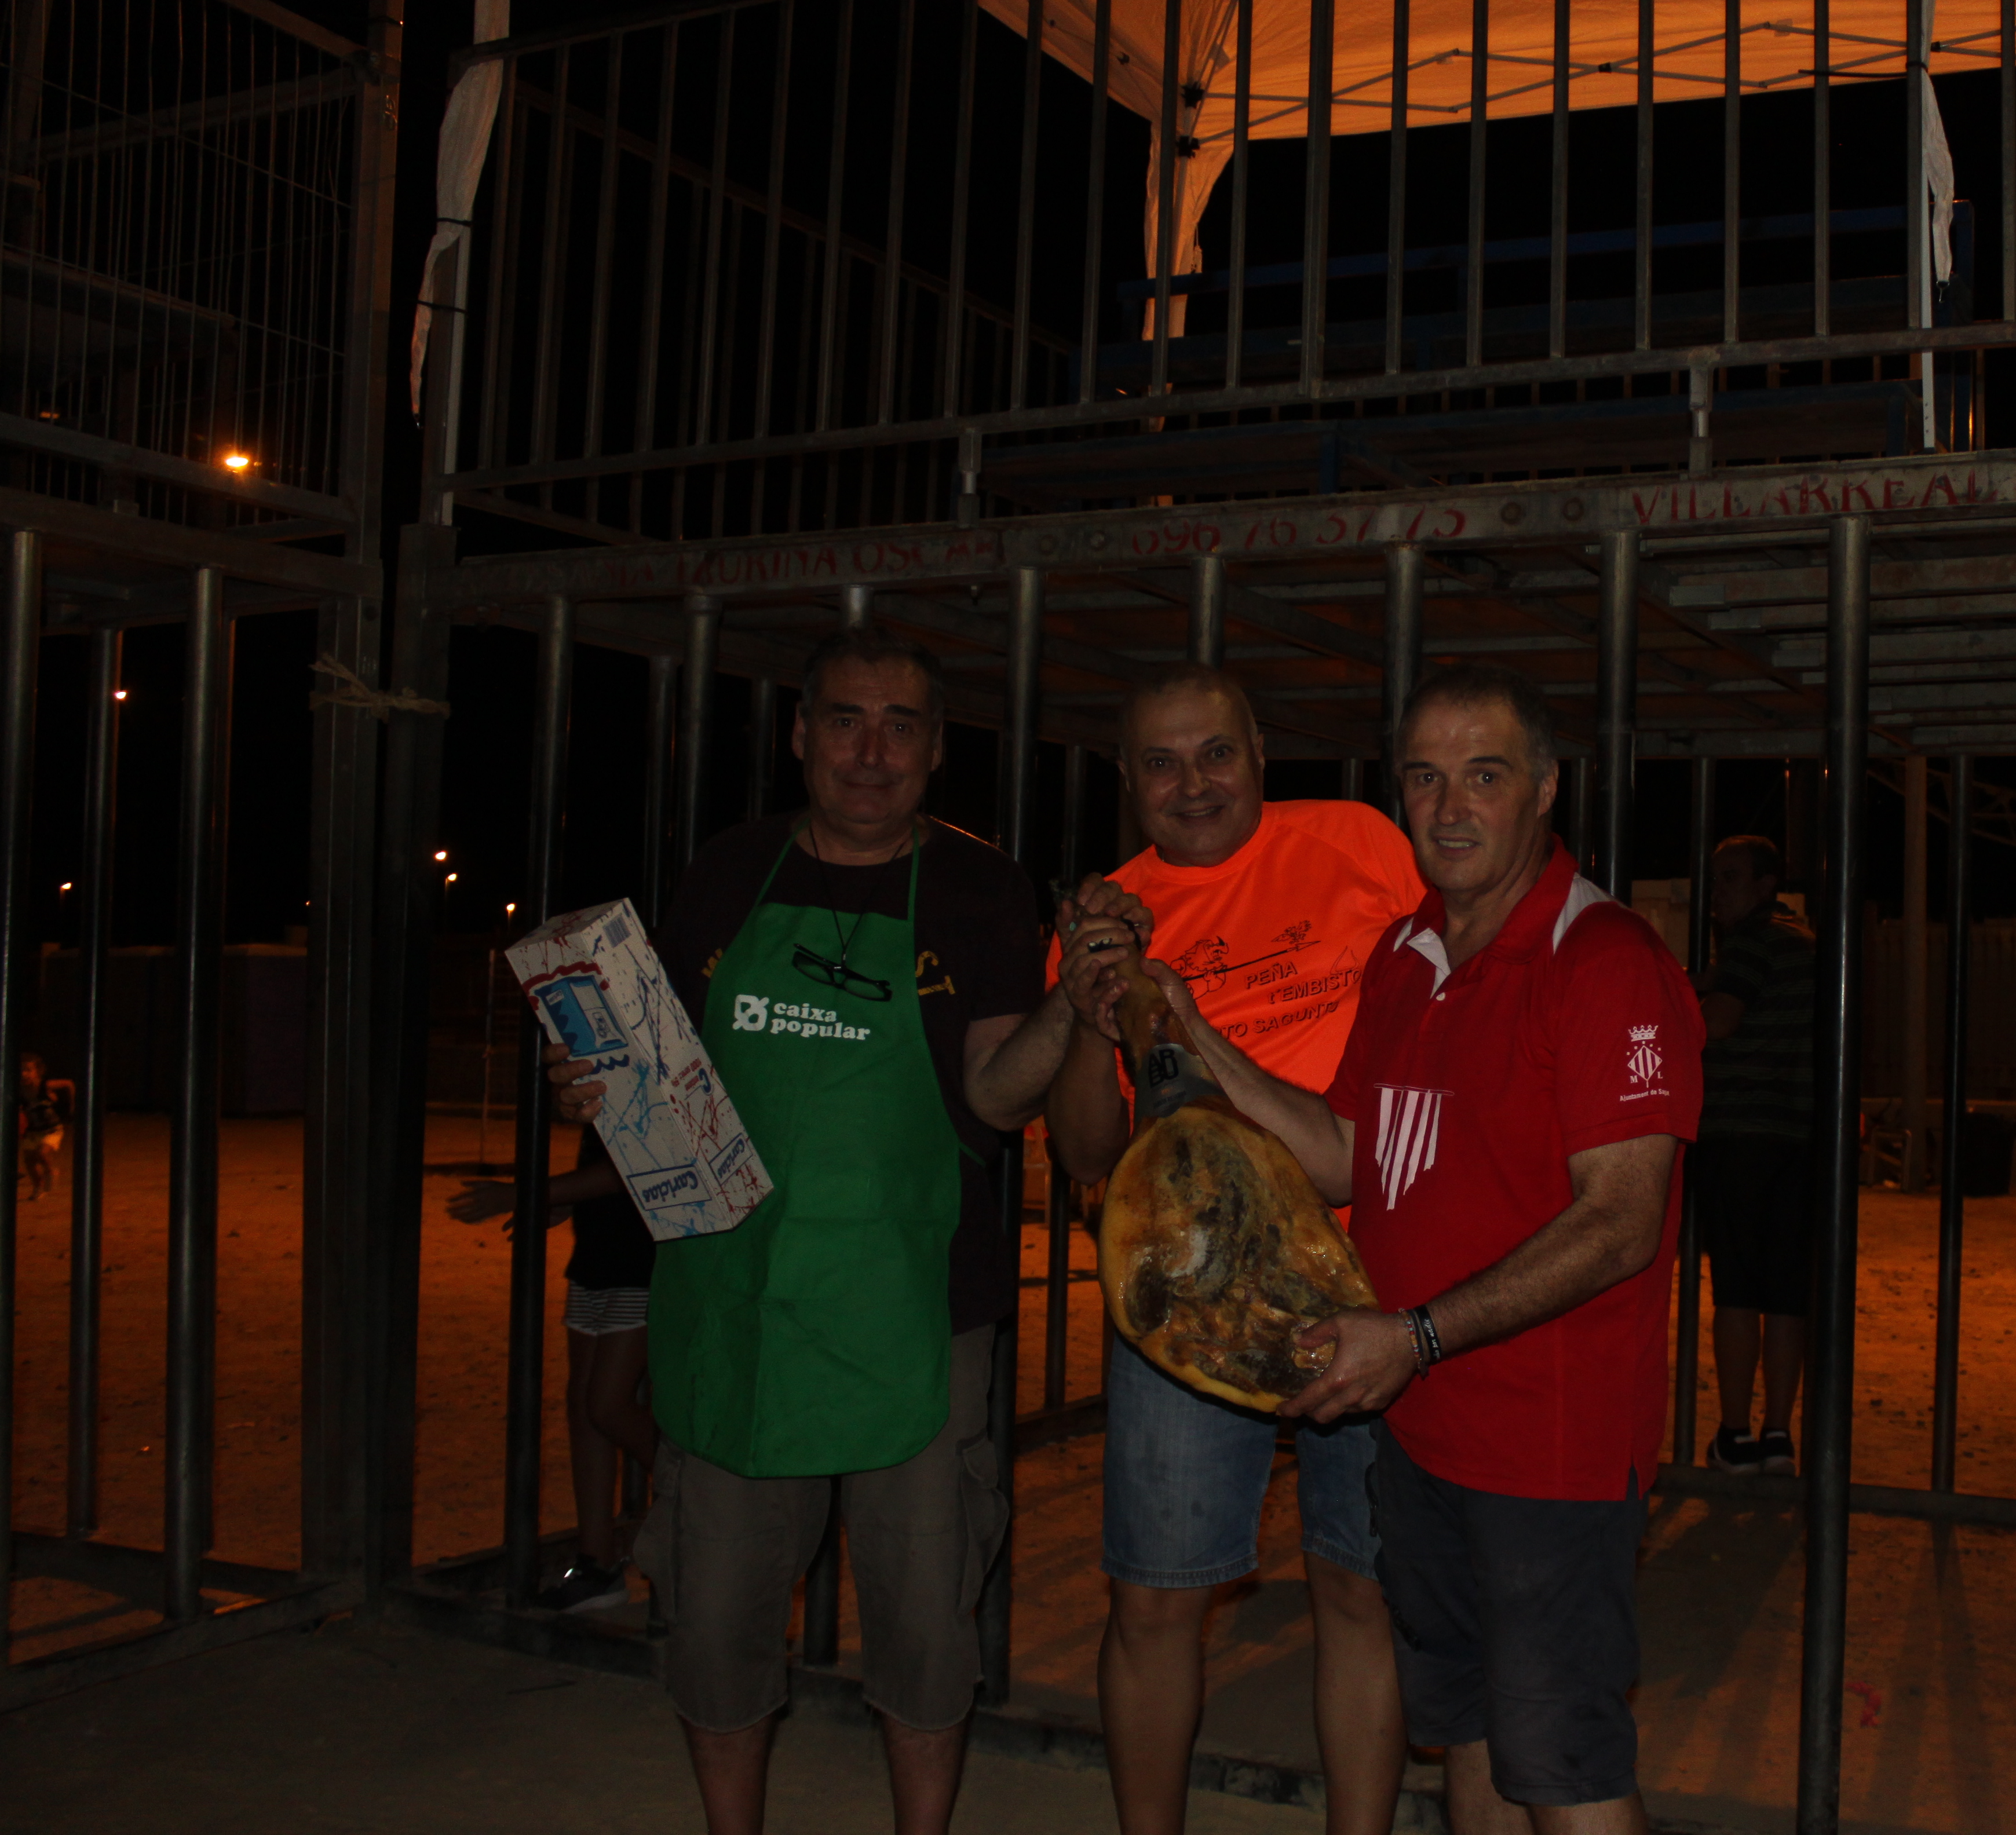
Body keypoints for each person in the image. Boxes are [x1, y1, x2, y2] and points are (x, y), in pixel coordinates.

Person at [547, 626, 1143, 1835]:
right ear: (800, 735)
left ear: (935, 749)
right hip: (738, 1306)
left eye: (900, 725)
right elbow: (667, 1084)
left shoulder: (981, 887)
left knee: (923, 1622)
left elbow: (995, 1097)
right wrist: (598, 1086)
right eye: (845, 720)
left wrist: (1071, 1008)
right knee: (717, 1616)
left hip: (918, 1315)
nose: (871, 751)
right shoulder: (729, 869)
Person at [1090, 663, 1701, 1835]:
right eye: (1425, 778)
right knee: (1469, 1734)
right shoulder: (1410, 955)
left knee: (1563, 1760)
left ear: (1545, 789)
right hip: (1424, 1436)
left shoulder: (1603, 958)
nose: (1451, 807)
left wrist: (1415, 1335)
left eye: (1485, 775)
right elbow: (1344, 1158)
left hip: (1547, 1449)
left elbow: (1621, 1223)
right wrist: (1198, 1033)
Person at [1043, 663, 1425, 1835]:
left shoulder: (1359, 845)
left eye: (1216, 753)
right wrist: (1090, 1018)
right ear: (1127, 779)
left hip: (1367, 1276)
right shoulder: (1109, 921)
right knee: (1156, 1600)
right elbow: (1087, 1154)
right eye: (1161, 763)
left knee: (1361, 1587)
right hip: (1186, 1300)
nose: (1193, 783)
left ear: (1261, 753)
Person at [447, 1132, 660, 1610]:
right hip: (601, 1252)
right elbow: (611, 1165)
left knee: (606, 1405)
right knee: (585, 1407)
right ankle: (597, 1561)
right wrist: (565, 1200)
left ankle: (694, 1491)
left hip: (642, 1258)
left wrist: (529, 1192)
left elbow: (634, 1162)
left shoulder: (639, 1083)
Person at [1690, 836, 1816, 1475]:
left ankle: (1734, 1435)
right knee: (1788, 1294)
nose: (1718, 893)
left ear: (1768, 884)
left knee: (1737, 1289)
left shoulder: (1752, 942)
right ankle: (1779, 1436)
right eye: (1715, 880)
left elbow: (1717, 1022)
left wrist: (1672, 1010)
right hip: (1803, 1141)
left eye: (1731, 878)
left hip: (1740, 1137)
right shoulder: (1809, 943)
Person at [16, 1052, 70, 1200]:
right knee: (29, 1162)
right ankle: (38, 1187)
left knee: (42, 1153)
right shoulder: (19, 1090)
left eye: (28, 1070)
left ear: (38, 1072)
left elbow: (68, 1084)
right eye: (21, 1070)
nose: (24, 1074)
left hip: (52, 1130)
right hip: (33, 1131)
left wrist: (73, 1105)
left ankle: (51, 1171)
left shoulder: (45, 1086)